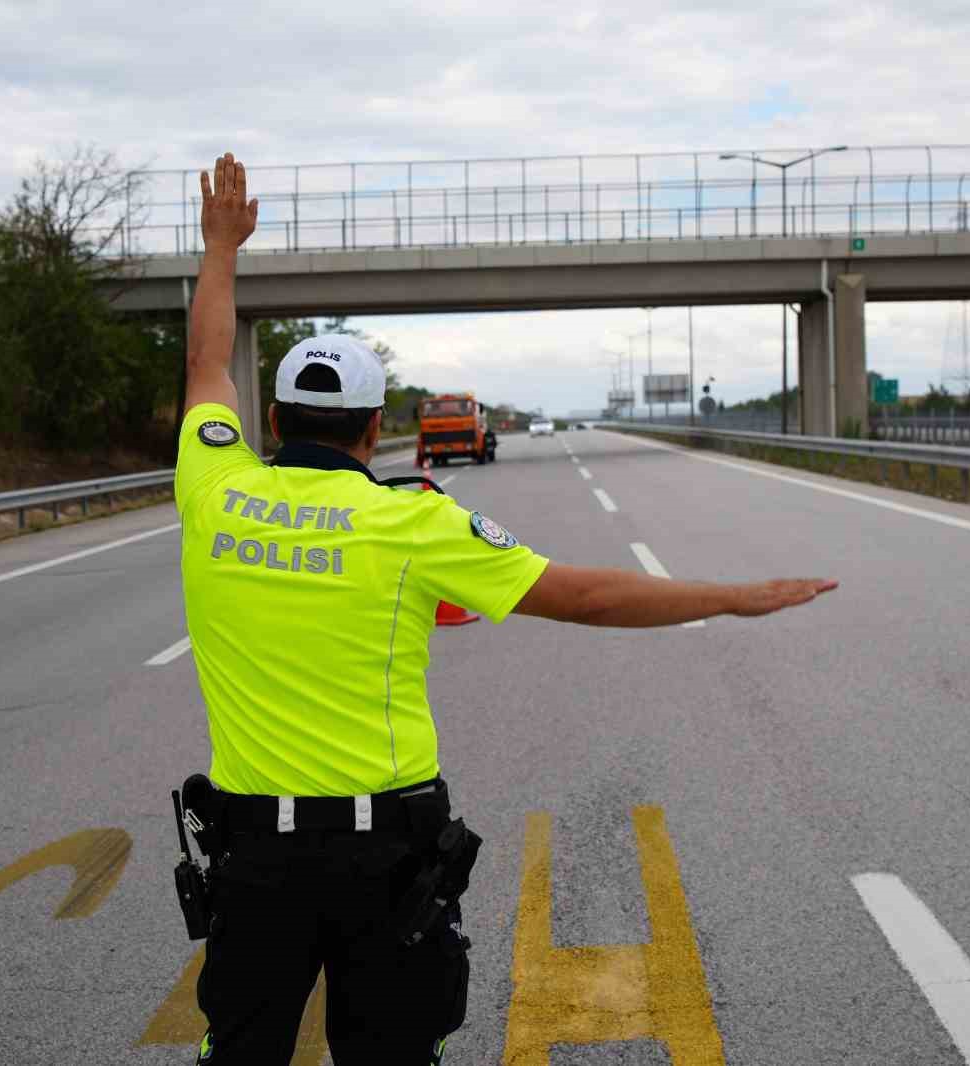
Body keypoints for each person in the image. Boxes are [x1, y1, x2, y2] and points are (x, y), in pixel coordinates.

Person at [176, 152, 838, 1065]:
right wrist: (730, 598)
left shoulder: (213, 487)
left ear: (272, 420)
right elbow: (589, 596)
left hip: (254, 864)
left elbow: (207, 358)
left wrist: (221, 249)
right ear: (377, 430)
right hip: (381, 864)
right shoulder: (412, 520)